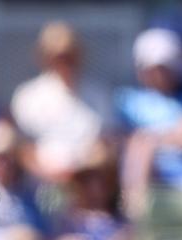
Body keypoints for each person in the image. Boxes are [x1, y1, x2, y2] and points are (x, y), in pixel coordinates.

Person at [116, 28, 182, 218]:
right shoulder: (128, 101)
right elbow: (126, 141)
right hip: (150, 177)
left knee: (144, 144)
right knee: (141, 148)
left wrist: (152, 139)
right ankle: (135, 213)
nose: (160, 75)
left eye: (165, 68)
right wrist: (170, 138)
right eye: (154, 69)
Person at [11, 21, 113, 184]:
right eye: (58, 56)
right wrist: (48, 173)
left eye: (69, 55)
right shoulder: (27, 96)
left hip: (85, 186)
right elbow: (23, 149)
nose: (65, 61)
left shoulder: (98, 95)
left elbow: (104, 145)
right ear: (45, 57)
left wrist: (77, 173)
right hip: (39, 187)